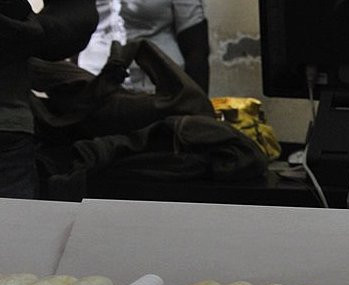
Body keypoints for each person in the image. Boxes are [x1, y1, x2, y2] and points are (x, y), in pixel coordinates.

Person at [0, 0, 97, 199]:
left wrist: (31, 32)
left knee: (12, 225)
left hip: (9, 126)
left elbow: (76, 16)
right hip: (10, 126)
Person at [77, 0, 209, 93]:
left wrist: (198, 110)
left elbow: (196, 48)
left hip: (157, 87)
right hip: (93, 84)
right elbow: (70, 28)